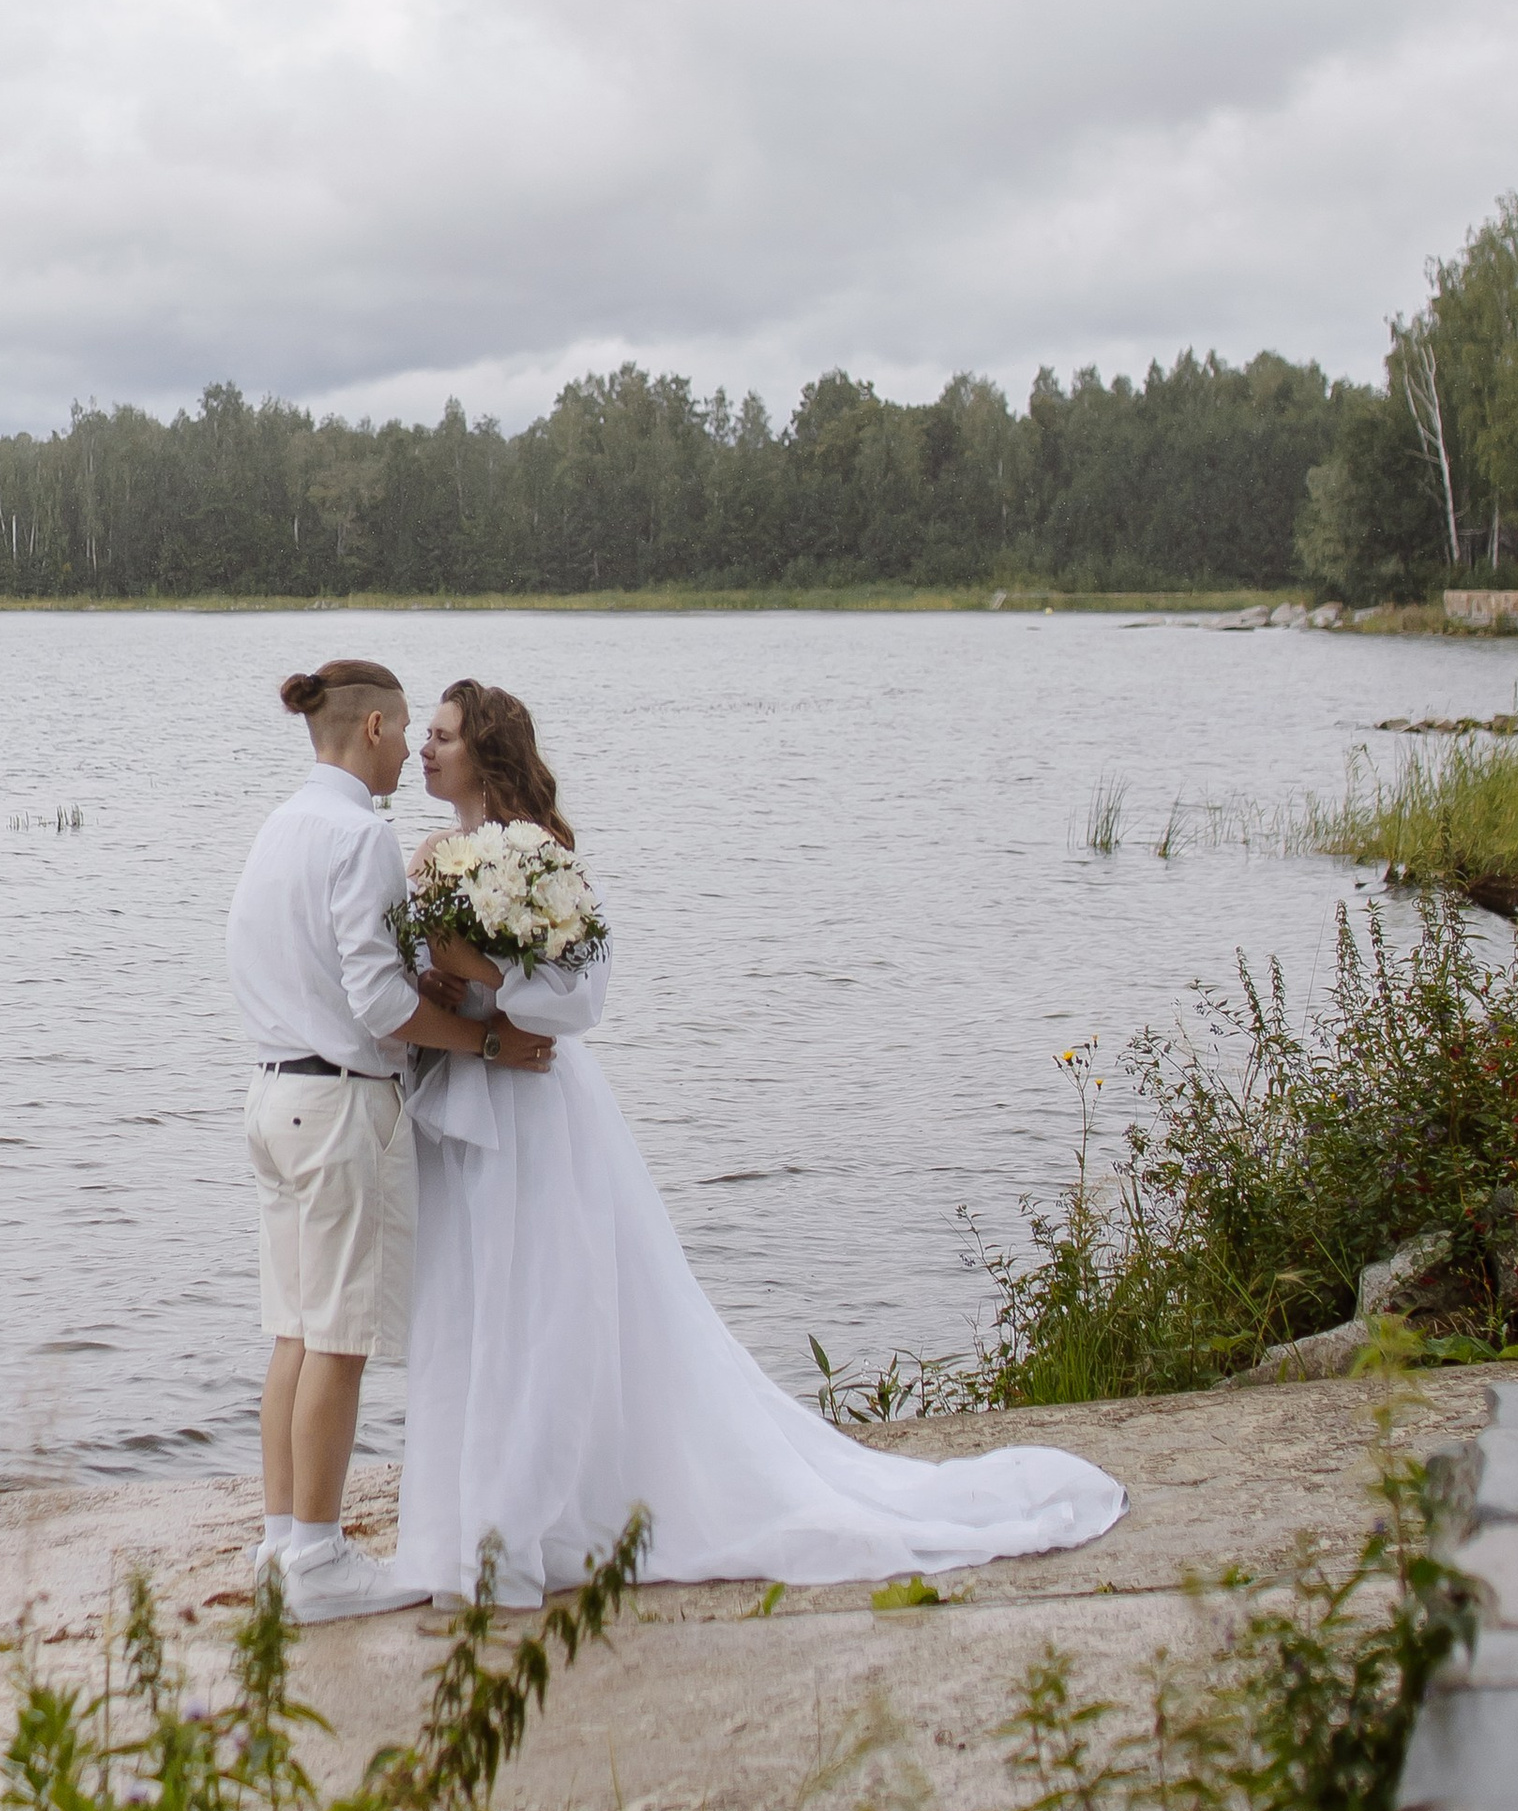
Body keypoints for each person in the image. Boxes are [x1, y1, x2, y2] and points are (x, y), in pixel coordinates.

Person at [394, 678, 1126, 1609]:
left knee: (543, 1308)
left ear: (486, 749)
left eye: (444, 735)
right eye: (424, 734)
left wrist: (489, 977)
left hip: (534, 1102)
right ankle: (474, 1520)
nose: (426, 747)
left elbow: (580, 997)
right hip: (461, 1100)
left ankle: (528, 1519)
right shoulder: (425, 856)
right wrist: (449, 992)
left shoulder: (540, 856)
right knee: (471, 1307)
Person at [227, 656, 560, 1623]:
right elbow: (377, 999)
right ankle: (323, 1560)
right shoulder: (359, 837)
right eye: (406, 729)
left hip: (272, 1092)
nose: (412, 746)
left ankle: (282, 1542)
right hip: (335, 1105)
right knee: (339, 1338)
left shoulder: (281, 826)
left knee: (293, 1329)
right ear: (371, 729)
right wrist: (488, 1036)